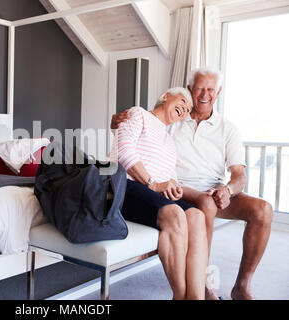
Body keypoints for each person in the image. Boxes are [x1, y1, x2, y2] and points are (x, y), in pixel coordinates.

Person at [111, 67, 273, 300]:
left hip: (210, 189)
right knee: (203, 205)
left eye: (210, 89)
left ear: (218, 92)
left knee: (262, 209)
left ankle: (241, 286)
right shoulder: (173, 122)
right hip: (179, 188)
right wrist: (117, 120)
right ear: (188, 90)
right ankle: (202, 286)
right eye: (198, 89)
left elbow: (239, 175)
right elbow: (135, 134)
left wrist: (227, 190)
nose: (203, 94)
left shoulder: (227, 129)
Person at [114, 87, 208, 300]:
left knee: (196, 215)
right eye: (182, 101)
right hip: (127, 186)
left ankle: (196, 296)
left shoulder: (170, 141)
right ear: (166, 96)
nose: (184, 109)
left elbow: (169, 175)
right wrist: (153, 183)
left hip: (153, 192)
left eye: (188, 109)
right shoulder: (138, 114)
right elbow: (123, 152)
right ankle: (180, 295)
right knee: (175, 214)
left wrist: (172, 187)